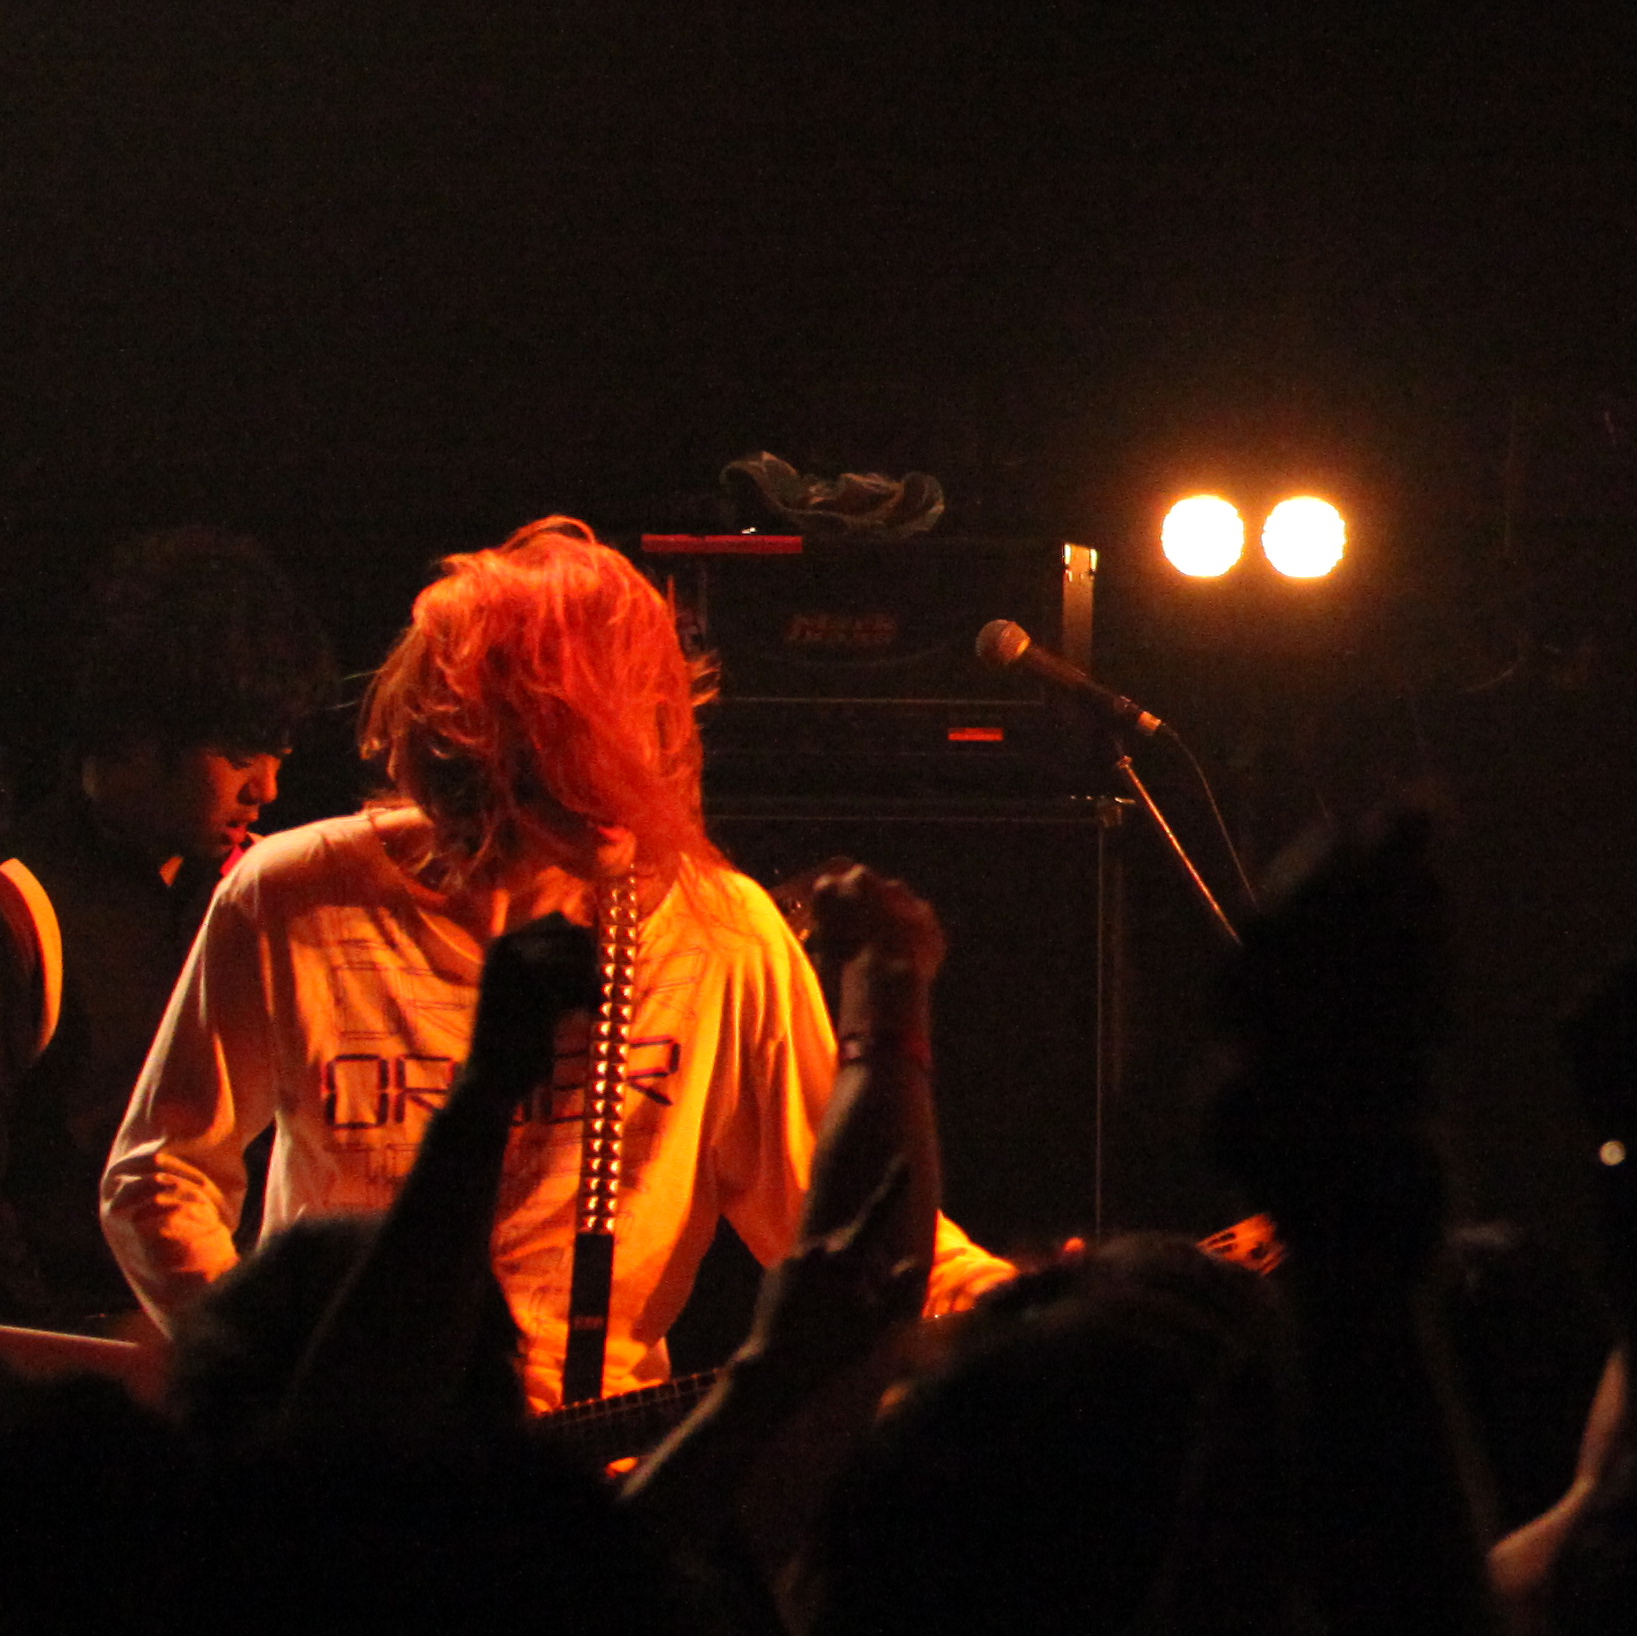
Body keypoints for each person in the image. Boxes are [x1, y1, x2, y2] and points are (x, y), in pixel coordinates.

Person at [103, 515, 1016, 1411]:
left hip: (594, 1461)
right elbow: (161, 1176)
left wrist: (999, 1301)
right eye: (577, 743)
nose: (625, 772)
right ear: (475, 738)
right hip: (355, 1457)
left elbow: (842, 1220)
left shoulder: (720, 933)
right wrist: (271, 1380)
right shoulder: (294, 894)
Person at [0, 529, 334, 1335]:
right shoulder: (23, 907)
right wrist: (77, 1343)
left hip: (235, 1346)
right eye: (240, 757)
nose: (268, 789)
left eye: (280, 754)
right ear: (139, 738)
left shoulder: (252, 891)